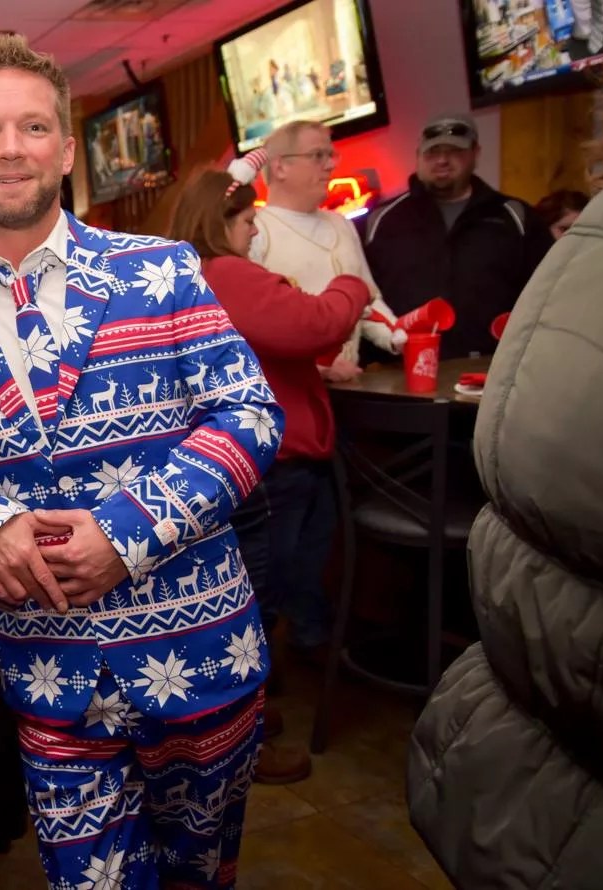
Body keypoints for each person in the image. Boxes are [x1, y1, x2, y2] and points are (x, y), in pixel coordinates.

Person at [0, 33, 281, 888]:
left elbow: (250, 414)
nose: (11, 149)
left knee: (199, 878)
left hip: (198, 651)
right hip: (48, 666)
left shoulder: (162, 270)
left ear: (67, 152)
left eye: (33, 127)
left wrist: (126, 532)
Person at [407, 133, 603, 890]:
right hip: (538, 718)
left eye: (457, 146)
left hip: (509, 727)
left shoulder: (540, 231)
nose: (444, 156)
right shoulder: (390, 220)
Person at [170, 165, 375, 785]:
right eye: (247, 219)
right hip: (264, 464)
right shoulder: (225, 272)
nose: (254, 231)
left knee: (247, 600)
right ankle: (238, 742)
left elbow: (272, 344)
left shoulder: (186, 274)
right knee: (251, 607)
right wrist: (352, 283)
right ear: (220, 222)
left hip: (239, 461)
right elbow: (312, 324)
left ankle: (245, 720)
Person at [364, 113, 552, 360]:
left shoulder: (516, 217)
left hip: (492, 367)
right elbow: (364, 300)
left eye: (454, 151)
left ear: (475, 153)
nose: (442, 160)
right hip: (402, 368)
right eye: (432, 152)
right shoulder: (381, 220)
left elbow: (547, 295)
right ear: (418, 156)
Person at [251, 121, 402, 380]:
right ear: (280, 167)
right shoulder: (255, 230)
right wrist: (319, 368)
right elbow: (254, 326)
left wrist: (399, 336)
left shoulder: (341, 224)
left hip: (349, 387)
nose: (331, 165)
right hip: (293, 392)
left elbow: (367, 300)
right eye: (317, 155)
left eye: (331, 155)